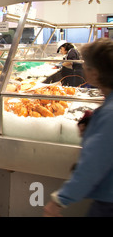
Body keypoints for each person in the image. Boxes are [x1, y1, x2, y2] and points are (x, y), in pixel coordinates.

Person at [43, 38, 113, 217]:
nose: (83, 68)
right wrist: (92, 123)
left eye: (86, 66)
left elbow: (94, 163)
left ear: (96, 74)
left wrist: (60, 200)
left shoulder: (109, 114)